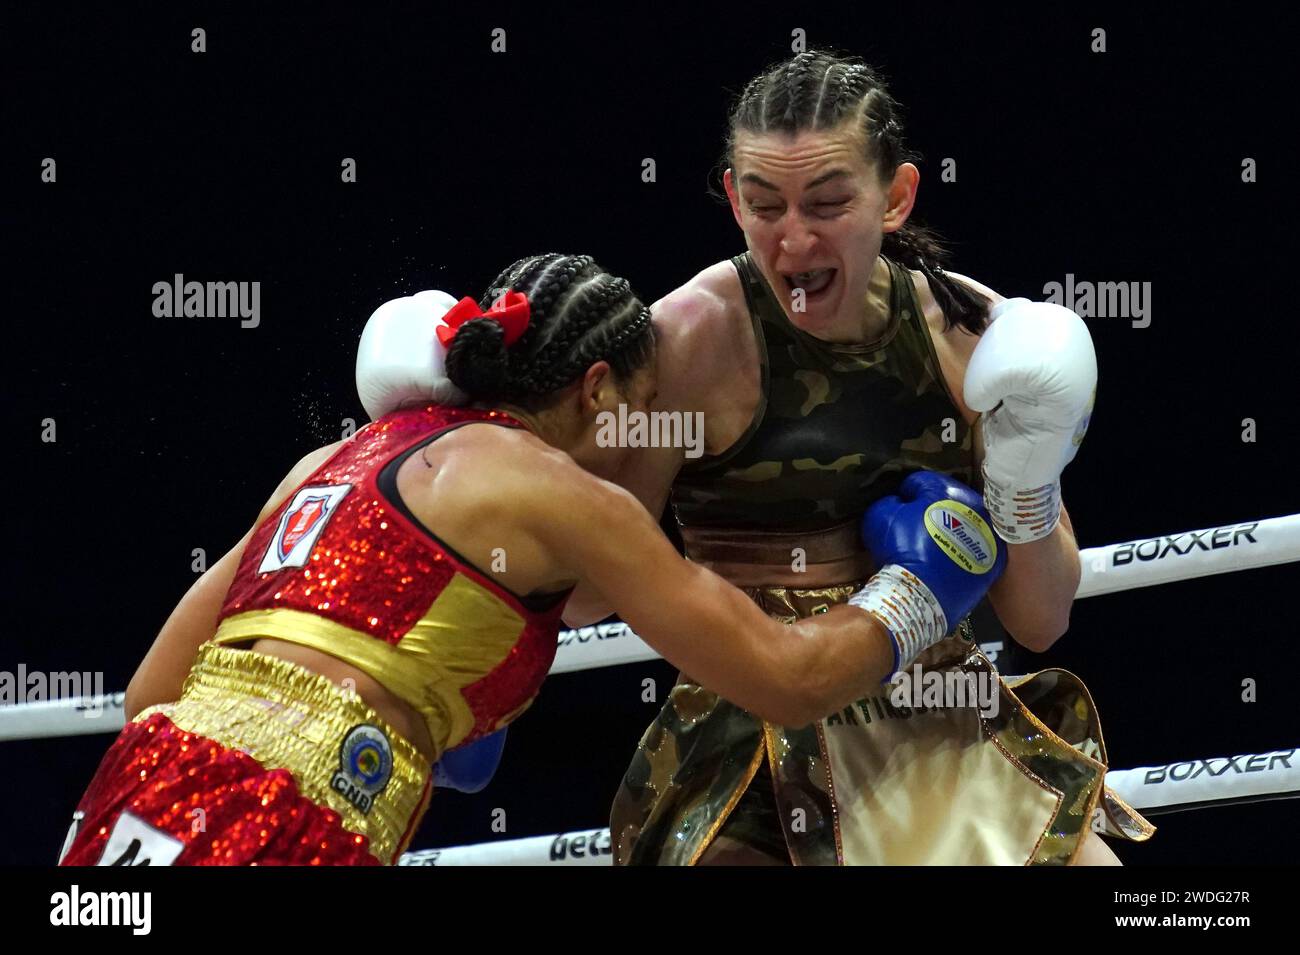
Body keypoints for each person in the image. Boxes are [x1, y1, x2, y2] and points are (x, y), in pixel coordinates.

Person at [357, 53, 1155, 864]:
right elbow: (587, 595)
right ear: (734, 197)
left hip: (939, 721)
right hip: (749, 740)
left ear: (896, 197)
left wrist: (1025, 485)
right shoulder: (688, 343)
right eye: (765, 205)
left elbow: (1041, 618)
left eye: (829, 203)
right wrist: (477, 439)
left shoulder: (971, 332)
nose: (794, 238)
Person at [57, 253, 1005, 866]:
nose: (649, 449)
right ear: (598, 388)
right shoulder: (559, 490)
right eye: (639, 411)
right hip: (288, 827)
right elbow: (786, 680)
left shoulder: (333, 459)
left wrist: (403, 716)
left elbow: (152, 692)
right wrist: (918, 591)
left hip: (136, 801)